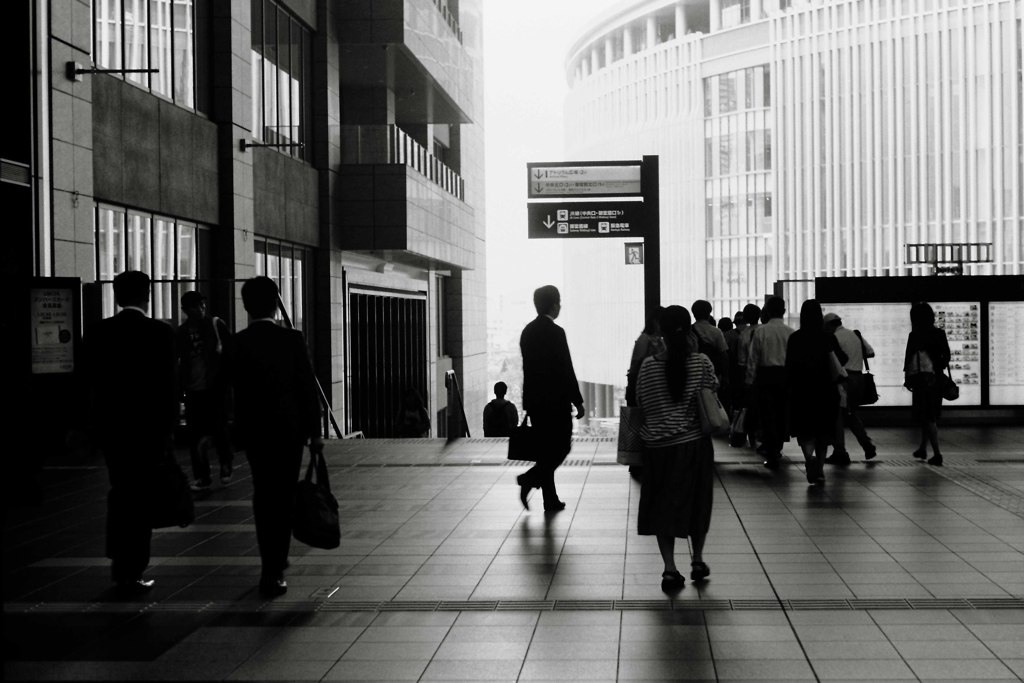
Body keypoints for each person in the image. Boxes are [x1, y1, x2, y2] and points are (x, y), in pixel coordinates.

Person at [83, 270, 178, 595]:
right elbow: (168, 387)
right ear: (147, 295)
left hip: (114, 431)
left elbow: (88, 384)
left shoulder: (99, 333)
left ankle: (119, 565)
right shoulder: (160, 333)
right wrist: (168, 430)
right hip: (149, 432)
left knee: (120, 492)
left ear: (118, 295)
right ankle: (133, 568)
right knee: (141, 499)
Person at [231, 276, 323, 597]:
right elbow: (307, 389)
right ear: (276, 302)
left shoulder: (237, 343)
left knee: (263, 494)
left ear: (246, 306)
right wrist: (315, 433)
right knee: (283, 497)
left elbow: (228, 392)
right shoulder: (292, 340)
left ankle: (269, 564)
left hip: (255, 434)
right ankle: (276, 565)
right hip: (289, 433)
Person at [635, 305, 717, 592]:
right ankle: (697, 560)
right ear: (689, 330)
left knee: (662, 508)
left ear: (662, 332)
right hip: (693, 446)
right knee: (697, 503)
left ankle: (670, 568)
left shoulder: (648, 366)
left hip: (657, 448)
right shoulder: (702, 363)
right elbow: (711, 396)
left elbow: (642, 405)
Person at [516, 285, 585, 512]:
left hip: (536, 402)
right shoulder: (556, 332)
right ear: (554, 305)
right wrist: (577, 400)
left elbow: (529, 369)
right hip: (556, 401)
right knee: (561, 447)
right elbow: (566, 368)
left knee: (546, 449)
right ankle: (529, 479)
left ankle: (550, 499)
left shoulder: (527, 331)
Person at [176, 290, 234, 491]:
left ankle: (224, 465)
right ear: (186, 309)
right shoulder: (182, 332)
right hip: (194, 388)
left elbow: (230, 355)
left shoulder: (215, 324)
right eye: (196, 306)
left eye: (202, 305)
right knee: (197, 434)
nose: (201, 309)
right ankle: (203, 475)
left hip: (215, 387)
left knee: (218, 429)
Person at [785, 300, 847, 485]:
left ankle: (809, 459)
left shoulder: (795, 338)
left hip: (802, 391)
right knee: (823, 431)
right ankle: (819, 467)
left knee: (805, 430)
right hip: (825, 391)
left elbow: (789, 367)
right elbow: (842, 359)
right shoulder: (827, 337)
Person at [745, 296, 794, 469]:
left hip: (765, 376)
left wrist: (750, 380)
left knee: (767, 414)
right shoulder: (790, 332)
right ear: (784, 311)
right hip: (785, 377)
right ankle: (778, 446)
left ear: (767, 311)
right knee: (782, 413)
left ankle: (771, 449)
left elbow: (753, 358)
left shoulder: (761, 331)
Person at [823, 312, 877, 464]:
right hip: (859, 379)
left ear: (829, 325)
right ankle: (867, 445)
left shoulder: (835, 338)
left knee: (837, 416)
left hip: (844, 380)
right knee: (851, 413)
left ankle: (840, 451)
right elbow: (870, 352)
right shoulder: (854, 335)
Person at [903, 302, 950, 466]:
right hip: (936, 379)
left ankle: (937, 453)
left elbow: (909, 358)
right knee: (929, 415)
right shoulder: (939, 333)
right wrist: (938, 367)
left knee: (927, 416)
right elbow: (947, 356)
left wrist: (907, 378)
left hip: (921, 381)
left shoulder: (915, 335)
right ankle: (923, 448)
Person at [626, 308, 666, 407]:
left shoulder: (658, 340)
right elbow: (637, 364)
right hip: (642, 386)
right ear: (655, 321)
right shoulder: (645, 338)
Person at [736, 303, 761, 449]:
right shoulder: (764, 330)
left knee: (750, 408)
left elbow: (741, 361)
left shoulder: (744, 335)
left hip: (749, 377)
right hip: (765, 374)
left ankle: (751, 437)